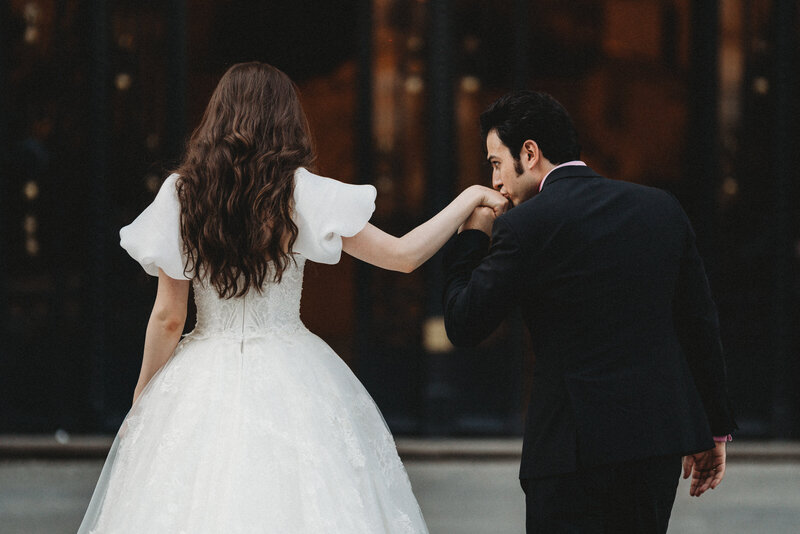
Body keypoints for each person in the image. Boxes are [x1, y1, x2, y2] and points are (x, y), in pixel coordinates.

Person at [77, 62, 508, 534]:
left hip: (198, 374)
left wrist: (145, 395)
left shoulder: (182, 194)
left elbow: (167, 317)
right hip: (291, 367)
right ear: (287, 120)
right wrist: (467, 199)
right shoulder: (301, 192)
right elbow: (403, 256)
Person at [442, 90, 737, 533]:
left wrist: (472, 237)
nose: (497, 181)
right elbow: (698, 324)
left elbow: (464, 324)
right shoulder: (662, 210)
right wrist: (715, 429)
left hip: (568, 451)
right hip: (654, 446)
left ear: (530, 152)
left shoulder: (524, 227)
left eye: (495, 163)